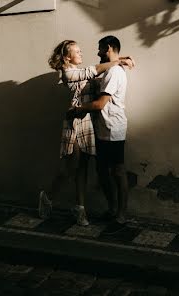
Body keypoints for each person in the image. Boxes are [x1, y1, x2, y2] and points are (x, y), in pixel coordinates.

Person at [41, 39, 133, 226]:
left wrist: (121, 59)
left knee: (83, 169)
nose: (82, 53)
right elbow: (91, 71)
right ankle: (47, 197)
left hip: (89, 123)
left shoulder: (88, 74)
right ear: (67, 57)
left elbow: (98, 74)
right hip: (75, 122)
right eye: (77, 51)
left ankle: (80, 209)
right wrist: (119, 60)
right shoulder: (68, 73)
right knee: (71, 168)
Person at [68, 35, 129, 225]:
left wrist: (78, 109)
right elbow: (95, 69)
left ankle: (121, 213)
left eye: (100, 48)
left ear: (109, 47)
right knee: (102, 171)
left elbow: (101, 104)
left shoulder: (114, 73)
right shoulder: (109, 70)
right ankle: (112, 209)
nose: (97, 52)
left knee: (117, 171)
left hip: (113, 128)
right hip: (102, 128)